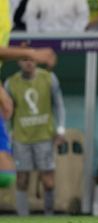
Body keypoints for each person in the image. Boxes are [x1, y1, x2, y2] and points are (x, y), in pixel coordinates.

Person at [0, 1, 56, 190]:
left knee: (6, 173)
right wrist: (30, 53)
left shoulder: (6, 6)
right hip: (23, 136)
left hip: (41, 135)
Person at [5, 43, 65, 216]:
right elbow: (7, 110)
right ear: (19, 62)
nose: (28, 63)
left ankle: (49, 216)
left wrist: (60, 129)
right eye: (24, 59)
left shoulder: (49, 78)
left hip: (44, 137)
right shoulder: (11, 83)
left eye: (31, 59)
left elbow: (58, 105)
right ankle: (23, 218)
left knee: (48, 181)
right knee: (22, 179)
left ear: (36, 61)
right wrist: (8, 135)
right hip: (21, 138)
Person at [25, 0, 90, 33]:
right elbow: (30, 14)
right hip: (44, 37)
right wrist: (35, 36)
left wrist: (74, 34)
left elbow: (83, 15)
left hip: (70, 40)